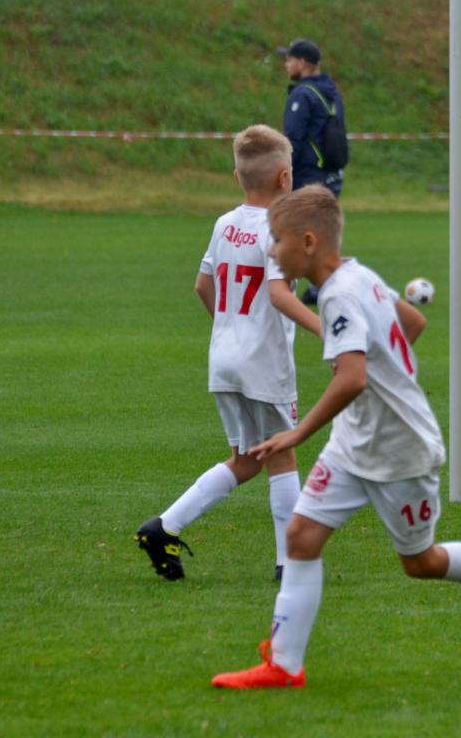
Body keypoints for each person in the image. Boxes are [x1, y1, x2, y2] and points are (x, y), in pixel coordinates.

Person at [212, 186, 461, 689]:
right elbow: (412, 321)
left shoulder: (339, 294)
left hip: (401, 448)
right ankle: (284, 666)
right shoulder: (358, 273)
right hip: (354, 442)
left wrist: (299, 432)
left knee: (420, 562)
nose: (272, 250)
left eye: (277, 240)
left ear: (307, 242)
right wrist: (385, 371)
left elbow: (352, 379)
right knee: (301, 536)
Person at [135, 125, 321, 582]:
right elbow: (279, 295)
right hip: (264, 363)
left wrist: (231, 329)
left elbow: (203, 285)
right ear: (284, 178)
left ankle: (164, 527)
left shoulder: (225, 224)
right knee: (282, 456)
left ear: (238, 178)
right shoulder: (279, 227)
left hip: (224, 358)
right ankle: (290, 563)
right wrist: (326, 331)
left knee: (247, 459)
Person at [280, 38, 346, 305]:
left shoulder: (302, 94)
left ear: (302, 62)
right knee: (321, 232)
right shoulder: (332, 91)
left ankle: (297, 284)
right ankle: (324, 284)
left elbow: (293, 139)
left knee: (295, 230)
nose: (286, 65)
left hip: (309, 175)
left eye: (289, 59)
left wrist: (284, 173)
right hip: (332, 174)